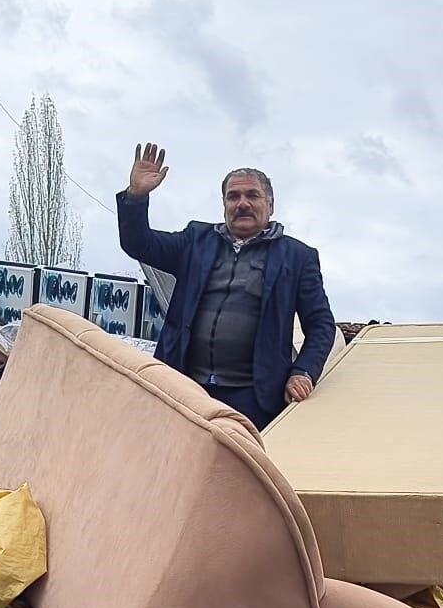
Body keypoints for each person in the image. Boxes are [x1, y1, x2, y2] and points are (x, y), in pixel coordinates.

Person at [115, 143, 336, 428]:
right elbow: (138, 244)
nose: (242, 203)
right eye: (233, 196)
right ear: (224, 205)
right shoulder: (195, 241)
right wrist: (136, 196)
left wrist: (304, 371)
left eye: (252, 195)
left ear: (270, 204)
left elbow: (321, 325)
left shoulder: (298, 257)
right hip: (185, 388)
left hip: (255, 399)